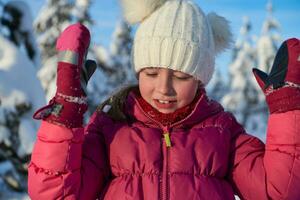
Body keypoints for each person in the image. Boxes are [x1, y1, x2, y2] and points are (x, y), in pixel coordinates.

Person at [28, 0, 300, 199]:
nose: (164, 88)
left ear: (200, 78)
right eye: (151, 73)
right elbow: (56, 195)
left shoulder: (222, 132)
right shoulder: (111, 128)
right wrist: (65, 111)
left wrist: (288, 109)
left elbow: (278, 192)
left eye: (181, 76)